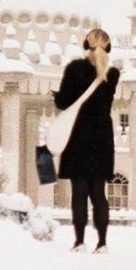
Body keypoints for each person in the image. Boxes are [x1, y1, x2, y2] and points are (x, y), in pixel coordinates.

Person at [55, 27, 120, 252]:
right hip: (102, 136)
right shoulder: (112, 74)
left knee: (80, 192)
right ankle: (102, 242)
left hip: (78, 134)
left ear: (85, 45)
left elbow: (63, 102)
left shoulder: (75, 69)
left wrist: (57, 95)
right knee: (98, 193)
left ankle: (80, 240)